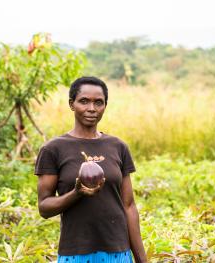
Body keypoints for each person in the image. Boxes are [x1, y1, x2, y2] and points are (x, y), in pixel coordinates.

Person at [35, 76, 147, 263]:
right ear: (72, 104)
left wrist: (142, 260)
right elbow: (44, 207)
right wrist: (77, 193)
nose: (91, 109)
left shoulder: (117, 146)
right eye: (84, 101)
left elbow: (129, 206)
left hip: (118, 252)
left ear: (105, 106)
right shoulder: (53, 149)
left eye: (98, 102)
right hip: (75, 253)